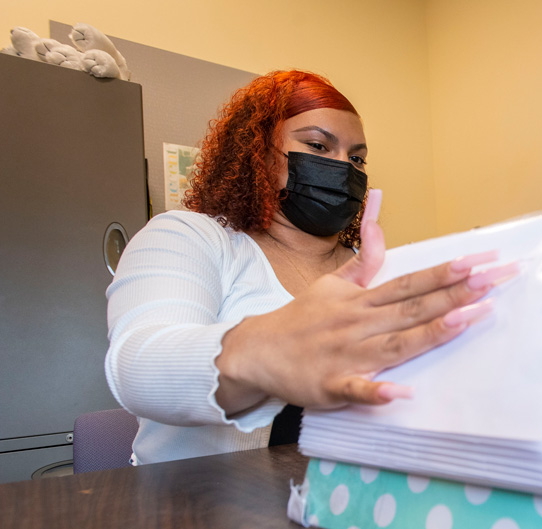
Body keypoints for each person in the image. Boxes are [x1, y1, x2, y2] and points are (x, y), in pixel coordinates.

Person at [105, 70, 512, 464]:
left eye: (357, 157)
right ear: (257, 153)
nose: (343, 167)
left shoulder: (375, 269)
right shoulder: (191, 237)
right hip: (194, 509)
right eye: (318, 147)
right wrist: (264, 353)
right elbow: (137, 364)